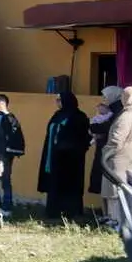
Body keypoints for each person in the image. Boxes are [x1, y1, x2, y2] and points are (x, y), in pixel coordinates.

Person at [102, 85, 132, 225]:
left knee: (115, 189)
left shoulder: (127, 116)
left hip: (121, 157)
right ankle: (131, 220)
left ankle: (116, 220)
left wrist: (105, 153)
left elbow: (116, 139)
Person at [37, 91, 91, 219]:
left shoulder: (79, 117)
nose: (57, 102)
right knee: (55, 183)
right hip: (54, 156)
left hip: (71, 159)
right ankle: (54, 211)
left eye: (59, 100)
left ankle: (71, 212)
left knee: (70, 184)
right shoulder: (57, 115)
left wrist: (69, 146)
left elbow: (83, 137)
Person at [0, 94, 26, 217]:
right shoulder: (12, 117)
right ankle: (7, 208)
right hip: (9, 153)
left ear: (1, 103)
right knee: (6, 180)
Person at [88, 86, 124, 223]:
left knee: (109, 186)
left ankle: (112, 216)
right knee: (104, 185)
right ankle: (107, 214)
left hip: (109, 152)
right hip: (104, 149)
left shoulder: (117, 110)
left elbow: (106, 128)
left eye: (106, 96)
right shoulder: (113, 108)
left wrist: (93, 127)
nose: (104, 99)